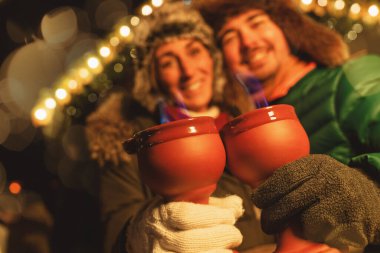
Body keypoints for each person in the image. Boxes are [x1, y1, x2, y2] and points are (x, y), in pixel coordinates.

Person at [85, 1, 278, 252]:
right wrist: (143, 233)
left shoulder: (244, 122)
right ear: (152, 78)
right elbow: (115, 231)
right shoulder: (130, 143)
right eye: (168, 62)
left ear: (213, 59)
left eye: (194, 51)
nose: (188, 70)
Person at [194, 0, 380, 252]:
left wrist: (367, 195)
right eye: (229, 37)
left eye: (257, 23)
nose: (248, 42)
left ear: (287, 28)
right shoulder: (236, 129)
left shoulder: (351, 78)